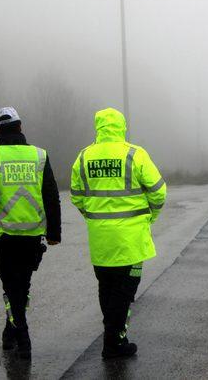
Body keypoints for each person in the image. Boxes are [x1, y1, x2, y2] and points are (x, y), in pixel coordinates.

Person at [70, 108, 167, 359]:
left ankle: (114, 338)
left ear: (98, 127)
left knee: (107, 289)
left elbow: (77, 196)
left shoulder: (83, 157)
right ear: (122, 126)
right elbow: (159, 191)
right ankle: (113, 343)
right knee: (124, 292)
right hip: (131, 241)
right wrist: (149, 217)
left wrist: (93, 217)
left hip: (100, 240)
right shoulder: (135, 154)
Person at [0, 107, 61, 359]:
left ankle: (21, 335)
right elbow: (51, 196)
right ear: (21, 127)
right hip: (33, 234)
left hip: (5, 234)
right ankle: (10, 332)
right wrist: (54, 231)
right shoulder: (39, 155)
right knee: (20, 285)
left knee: (13, 286)